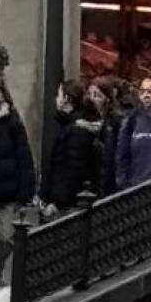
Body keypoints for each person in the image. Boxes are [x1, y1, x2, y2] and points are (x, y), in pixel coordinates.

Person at [0, 78, 37, 290]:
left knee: (6, 237)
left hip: (7, 191)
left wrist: (25, 192)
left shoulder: (11, 121)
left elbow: (24, 157)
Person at [40, 80, 103, 214]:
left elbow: (72, 170)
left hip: (70, 204)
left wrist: (57, 202)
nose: (56, 100)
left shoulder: (77, 131)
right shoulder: (69, 126)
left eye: (59, 95)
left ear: (67, 99)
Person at [87, 78, 125, 193]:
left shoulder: (116, 120)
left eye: (97, 95)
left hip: (110, 180)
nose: (92, 99)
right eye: (90, 94)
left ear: (107, 99)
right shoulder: (90, 119)